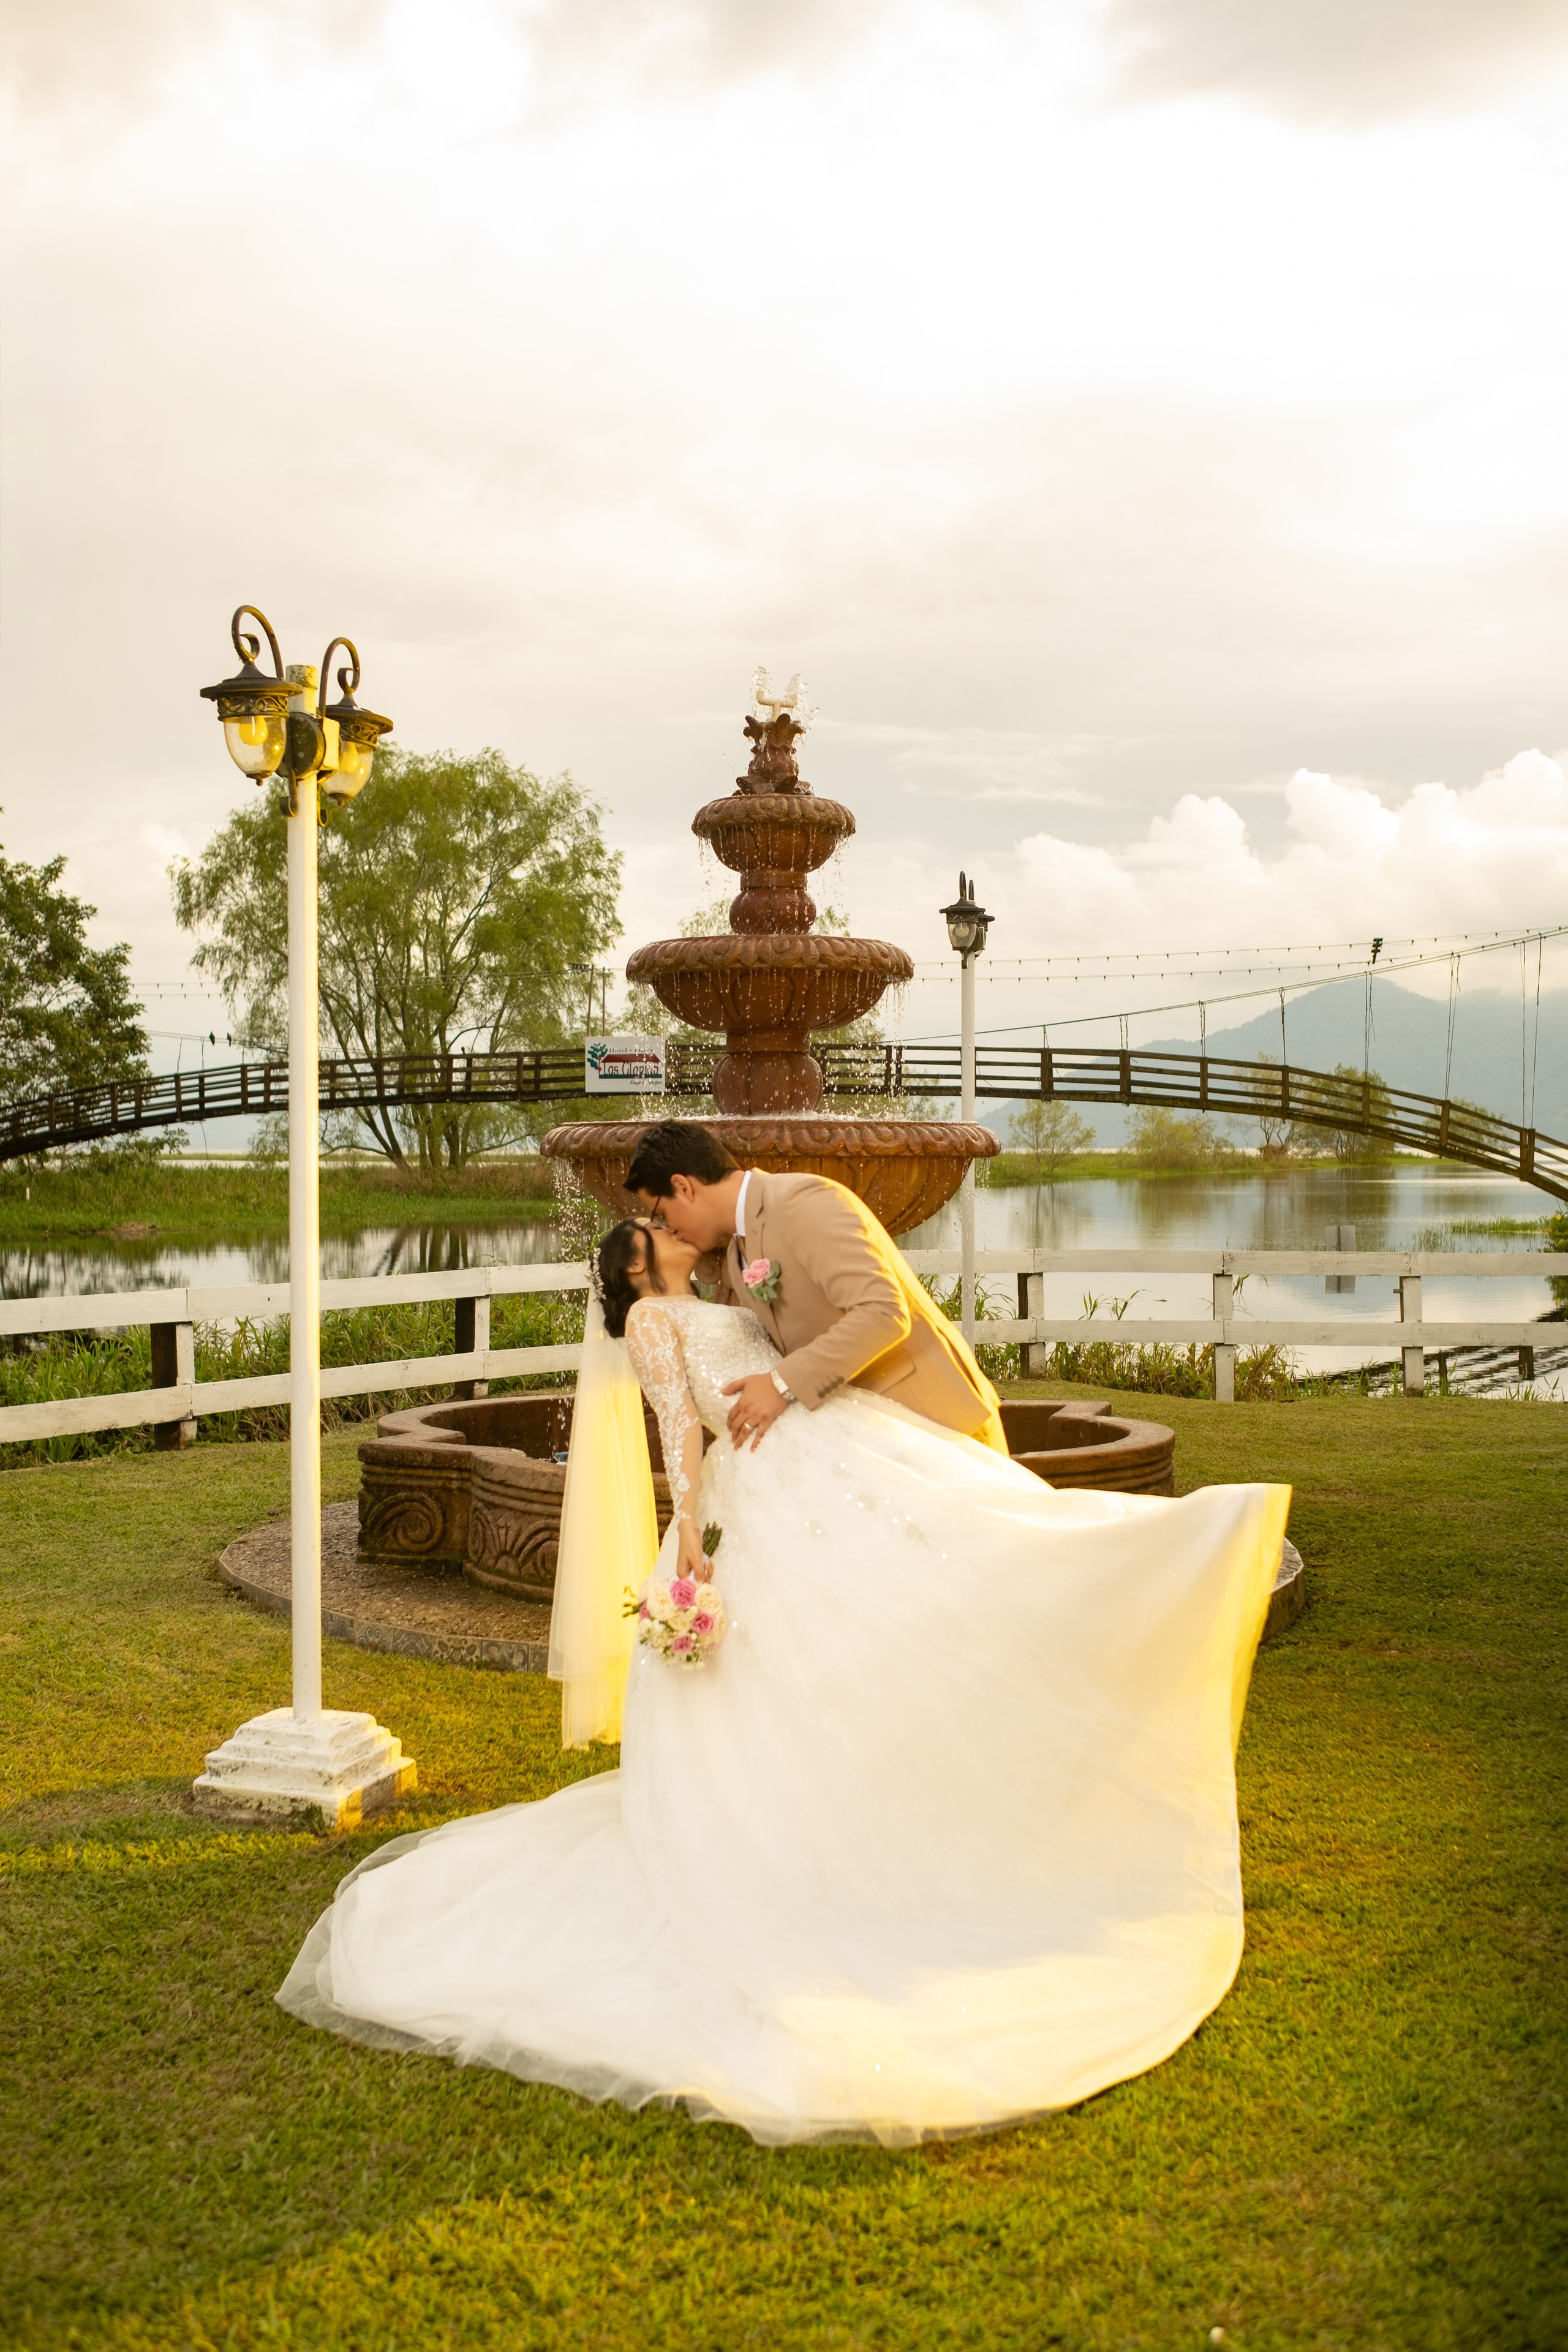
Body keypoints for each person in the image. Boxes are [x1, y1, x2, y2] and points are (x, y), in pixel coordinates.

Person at [277, 1208, 1292, 2149]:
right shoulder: (652, 1327)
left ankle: (1137, 1567)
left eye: (664, 1215)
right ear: (634, 1266)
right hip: (760, 1488)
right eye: (652, 1229)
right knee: (808, 1648)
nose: (670, 1228)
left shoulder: (721, 1294)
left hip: (831, 1449)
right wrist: (686, 1543)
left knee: (949, 1557)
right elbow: (680, 1426)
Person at [623, 1120, 1006, 1455]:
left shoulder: (799, 1201)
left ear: (683, 1187)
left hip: (938, 1424)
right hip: (871, 1441)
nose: (666, 1227)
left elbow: (884, 1313)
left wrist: (780, 1383)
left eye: (660, 1212)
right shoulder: (736, 1258)